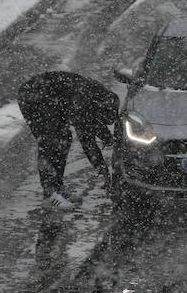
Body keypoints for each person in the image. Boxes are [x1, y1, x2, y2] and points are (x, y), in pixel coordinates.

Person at [17, 70, 120, 212]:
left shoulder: (94, 98)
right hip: (34, 96)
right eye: (104, 119)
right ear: (100, 107)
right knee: (50, 141)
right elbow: (88, 141)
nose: (103, 123)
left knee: (64, 139)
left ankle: (57, 189)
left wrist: (108, 138)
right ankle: (50, 195)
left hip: (47, 99)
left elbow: (92, 123)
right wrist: (104, 173)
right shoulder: (82, 99)